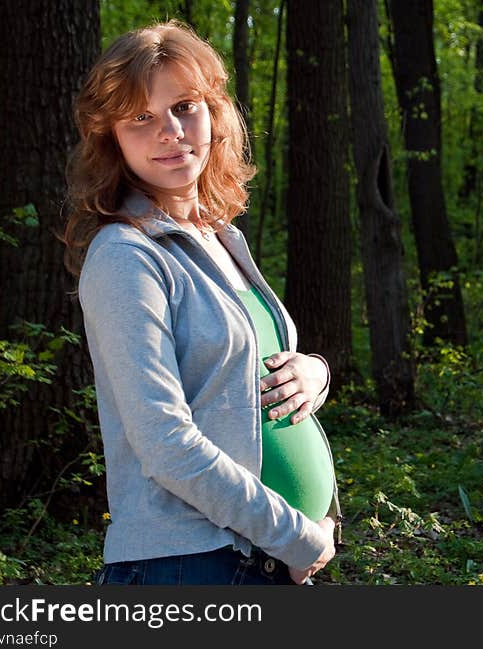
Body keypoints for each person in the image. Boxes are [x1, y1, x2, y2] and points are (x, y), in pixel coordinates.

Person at [63, 20, 341, 585]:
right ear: (110, 136)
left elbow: (249, 373)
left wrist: (316, 373)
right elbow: (164, 441)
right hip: (190, 564)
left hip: (257, 558)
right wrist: (294, 535)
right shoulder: (126, 255)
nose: (170, 130)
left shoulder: (220, 238)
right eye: (141, 116)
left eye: (185, 105)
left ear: (214, 114)